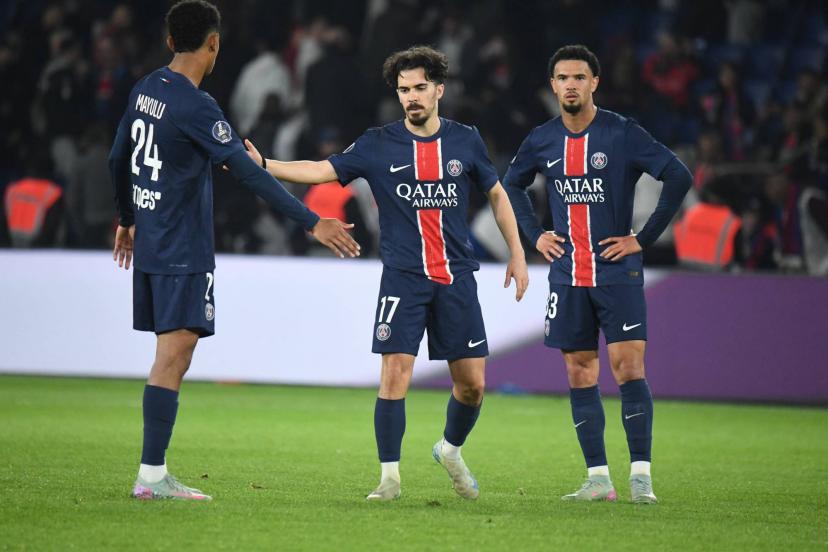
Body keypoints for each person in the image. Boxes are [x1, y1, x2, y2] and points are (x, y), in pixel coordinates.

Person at [245, 45, 528, 501]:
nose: (411, 97)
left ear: (439, 90)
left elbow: (497, 195)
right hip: (403, 277)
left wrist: (517, 252)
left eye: (419, 88)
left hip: (456, 276)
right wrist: (265, 164)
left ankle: (450, 450)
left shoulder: (465, 140)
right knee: (394, 374)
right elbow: (321, 169)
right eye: (403, 90)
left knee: (472, 387)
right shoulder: (377, 143)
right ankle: (389, 478)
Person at [109, 0, 360, 501]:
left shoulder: (146, 88)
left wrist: (128, 217)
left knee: (172, 355)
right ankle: (151, 476)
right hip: (182, 247)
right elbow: (249, 172)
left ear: (169, 41)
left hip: (154, 240)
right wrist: (312, 221)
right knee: (173, 356)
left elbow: (119, 156)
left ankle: (153, 473)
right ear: (214, 43)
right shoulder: (196, 106)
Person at [503, 45, 691, 504]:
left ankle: (641, 477)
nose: (571, 85)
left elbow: (678, 175)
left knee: (628, 367)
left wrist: (642, 239)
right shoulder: (542, 139)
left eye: (579, 77)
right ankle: (598, 479)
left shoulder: (621, 132)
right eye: (563, 78)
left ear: (594, 83)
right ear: (553, 85)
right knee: (579, 370)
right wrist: (535, 235)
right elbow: (512, 184)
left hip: (616, 273)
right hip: (568, 275)